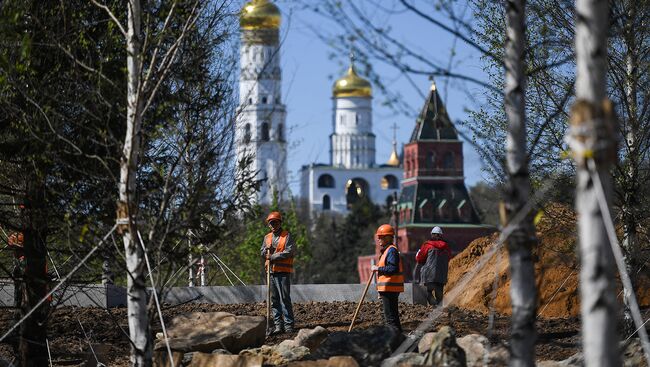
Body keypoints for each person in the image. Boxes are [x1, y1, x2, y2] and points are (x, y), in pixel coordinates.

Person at [260, 211, 295, 334]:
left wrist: (273, 257)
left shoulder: (287, 236)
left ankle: (289, 325)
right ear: (269, 225)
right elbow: (262, 251)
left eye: (275, 222)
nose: (273, 225)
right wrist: (265, 252)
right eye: (271, 223)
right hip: (271, 272)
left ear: (280, 223)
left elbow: (289, 251)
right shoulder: (267, 237)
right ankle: (278, 325)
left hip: (283, 272)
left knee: (285, 298)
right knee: (274, 299)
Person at [370, 224, 404, 332]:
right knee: (393, 318)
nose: (379, 239)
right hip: (388, 289)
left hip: (390, 289)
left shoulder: (391, 251)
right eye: (378, 237)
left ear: (388, 237)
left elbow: (392, 268)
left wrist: (378, 268)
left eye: (381, 237)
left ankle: (396, 343)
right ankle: (401, 341)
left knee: (391, 320)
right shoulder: (388, 251)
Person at [415, 226, 452, 307]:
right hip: (441, 275)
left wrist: (417, 254)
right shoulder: (447, 247)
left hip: (429, 275)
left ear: (432, 235)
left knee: (427, 292)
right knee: (439, 295)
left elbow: (419, 259)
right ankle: (439, 311)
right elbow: (448, 258)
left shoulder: (427, 245)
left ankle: (434, 306)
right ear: (441, 235)